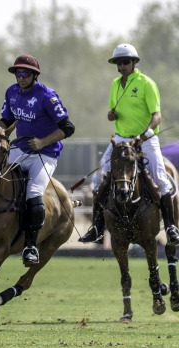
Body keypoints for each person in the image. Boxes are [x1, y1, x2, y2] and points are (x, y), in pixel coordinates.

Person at [79, 43, 179, 246]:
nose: (122, 65)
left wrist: (145, 135)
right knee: (100, 178)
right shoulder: (115, 84)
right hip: (121, 139)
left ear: (134, 62)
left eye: (125, 62)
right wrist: (111, 115)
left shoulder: (146, 83)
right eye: (118, 62)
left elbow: (157, 116)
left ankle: (170, 226)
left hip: (146, 139)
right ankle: (98, 227)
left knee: (161, 179)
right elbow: (113, 112)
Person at [0, 54, 75, 265]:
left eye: (24, 73)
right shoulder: (12, 92)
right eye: (17, 73)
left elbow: (68, 127)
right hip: (19, 149)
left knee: (33, 193)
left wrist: (43, 142)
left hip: (44, 154)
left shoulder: (47, 96)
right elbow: (5, 120)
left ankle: (31, 246)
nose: (20, 77)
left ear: (34, 76)